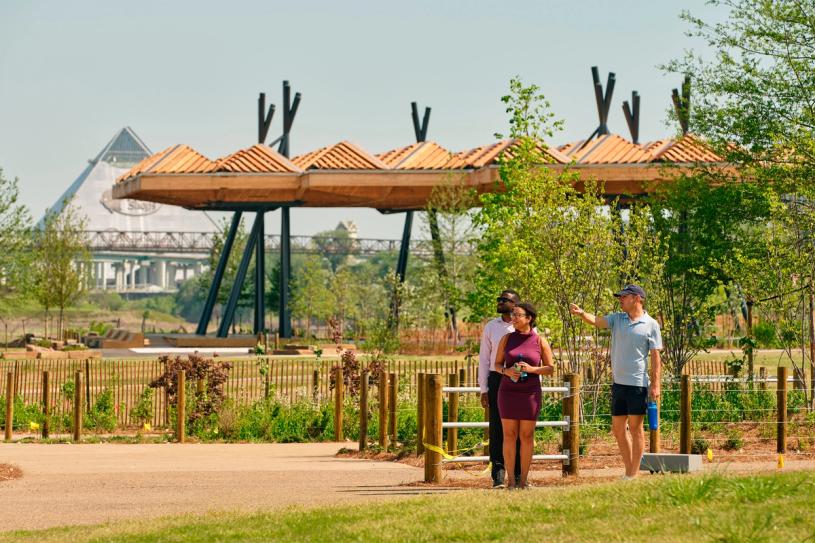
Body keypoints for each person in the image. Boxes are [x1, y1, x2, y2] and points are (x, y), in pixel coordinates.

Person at [569, 284, 662, 480]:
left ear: (637, 298)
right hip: (618, 384)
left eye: (624, 296)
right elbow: (597, 321)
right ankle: (630, 471)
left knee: (636, 429)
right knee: (618, 429)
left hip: (638, 384)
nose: (620, 299)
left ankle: (632, 474)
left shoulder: (651, 324)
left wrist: (655, 384)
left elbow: (655, 357)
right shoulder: (617, 319)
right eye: (619, 297)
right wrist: (581, 313)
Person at [494, 302, 554, 489]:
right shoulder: (506, 339)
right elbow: (496, 364)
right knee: (509, 435)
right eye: (513, 314)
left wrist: (532, 369)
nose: (513, 317)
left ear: (529, 318)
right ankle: (510, 481)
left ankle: (523, 481)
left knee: (527, 436)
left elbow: (551, 368)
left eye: (518, 315)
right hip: (508, 392)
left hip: (530, 393)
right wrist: (507, 371)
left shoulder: (539, 341)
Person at [478, 289, 522, 488]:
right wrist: (484, 389)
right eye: (499, 299)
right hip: (497, 378)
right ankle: (498, 474)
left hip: (520, 380)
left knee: (520, 428)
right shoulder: (491, 327)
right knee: (497, 428)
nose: (500, 302)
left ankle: (520, 474)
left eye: (505, 300)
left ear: (515, 305)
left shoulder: (524, 326)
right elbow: (484, 359)